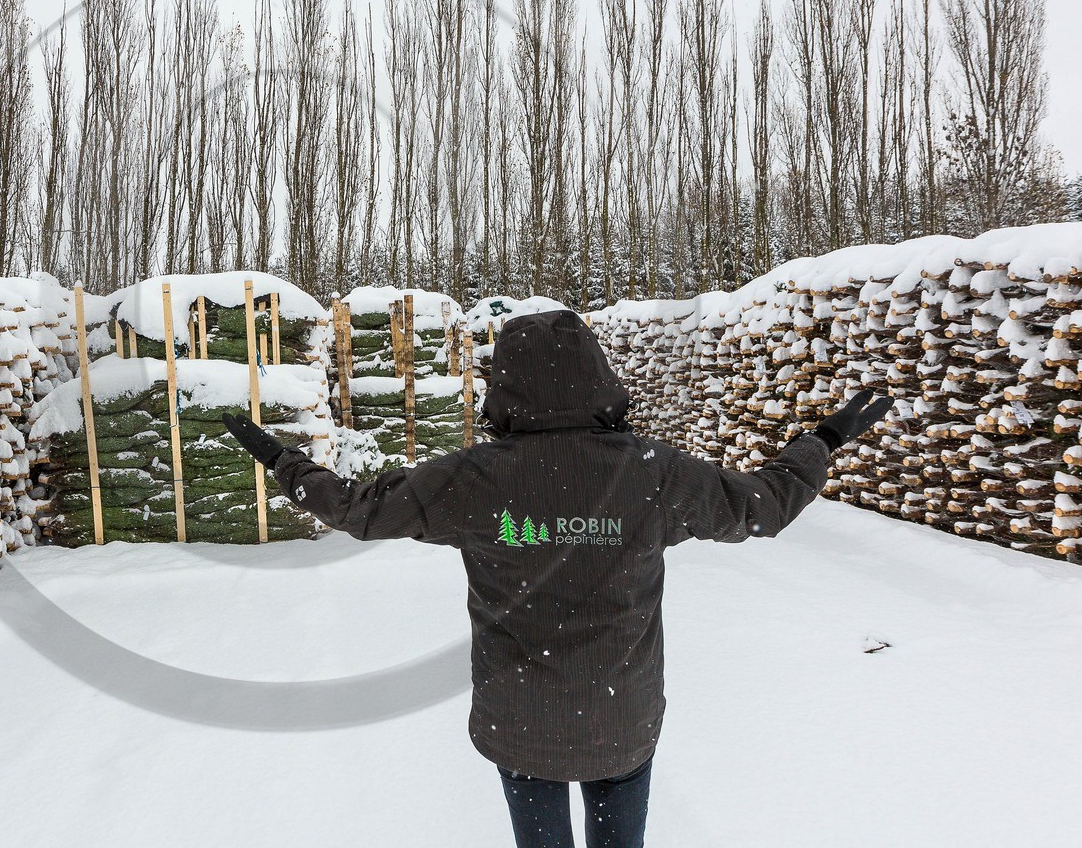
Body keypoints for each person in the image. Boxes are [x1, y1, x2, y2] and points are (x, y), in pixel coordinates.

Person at [222, 309, 894, 848]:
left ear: (505, 386)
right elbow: (764, 505)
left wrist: (283, 460)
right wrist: (824, 439)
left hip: (523, 723)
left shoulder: (473, 478)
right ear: (597, 375)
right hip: (619, 719)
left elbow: (357, 510)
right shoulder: (650, 471)